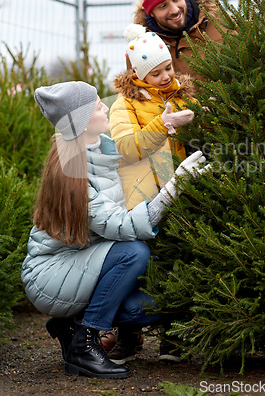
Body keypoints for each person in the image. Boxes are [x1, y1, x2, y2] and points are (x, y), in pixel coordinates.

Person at [21, 81, 209, 379]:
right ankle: (84, 344)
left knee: (150, 301)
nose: (106, 106)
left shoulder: (98, 152)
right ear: (81, 123)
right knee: (135, 253)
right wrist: (176, 185)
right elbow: (120, 225)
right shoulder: (74, 172)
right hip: (52, 275)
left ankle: (71, 323)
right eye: (97, 105)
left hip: (83, 262)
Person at [109, 23, 196, 211]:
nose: (166, 77)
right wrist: (163, 125)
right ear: (140, 75)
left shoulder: (181, 95)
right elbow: (124, 149)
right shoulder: (126, 104)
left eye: (168, 68)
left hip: (181, 191)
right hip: (145, 197)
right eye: (156, 73)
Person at [127, 0, 231, 82]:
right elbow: (136, 93)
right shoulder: (141, 45)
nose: (175, 10)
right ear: (151, 13)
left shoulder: (220, 22)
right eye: (163, 6)